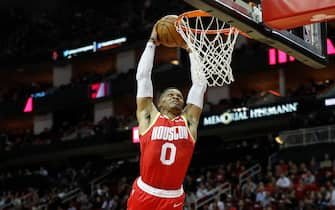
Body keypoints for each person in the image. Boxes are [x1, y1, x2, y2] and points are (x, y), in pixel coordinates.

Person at [126, 23, 207, 210]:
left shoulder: (189, 120)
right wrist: (152, 43)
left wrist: (191, 49)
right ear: (159, 102)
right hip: (145, 192)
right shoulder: (149, 116)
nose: (176, 97)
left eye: (179, 95)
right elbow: (143, 77)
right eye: (170, 94)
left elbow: (200, 85)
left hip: (173, 197)